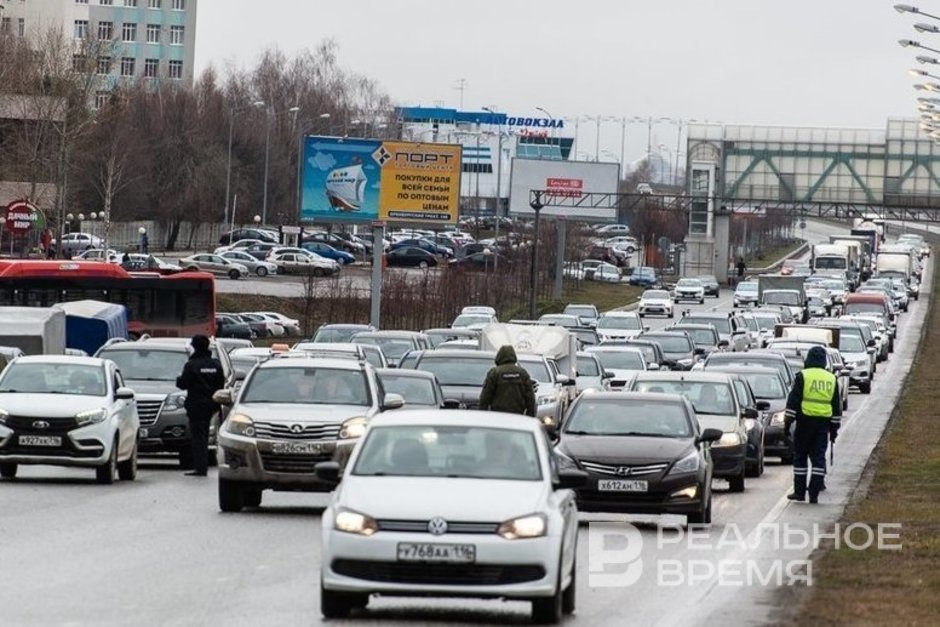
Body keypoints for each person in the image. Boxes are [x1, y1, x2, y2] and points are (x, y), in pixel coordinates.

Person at [784, 346, 841, 503]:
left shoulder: (803, 376)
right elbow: (836, 407)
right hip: (823, 424)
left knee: (800, 457)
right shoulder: (831, 379)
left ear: (808, 359)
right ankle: (814, 493)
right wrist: (834, 429)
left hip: (804, 422)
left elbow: (793, 401)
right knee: (818, 458)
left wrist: (787, 424)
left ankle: (800, 492)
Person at [175, 335, 225, 477]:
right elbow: (220, 385)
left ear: (194, 346)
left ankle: (200, 468)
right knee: (203, 434)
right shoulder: (215, 365)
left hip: (196, 405)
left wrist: (179, 378)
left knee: (198, 437)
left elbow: (182, 384)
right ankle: (201, 467)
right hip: (211, 404)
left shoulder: (191, 365)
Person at [479, 345, 537, 417]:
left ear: (499, 357)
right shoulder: (522, 373)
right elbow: (530, 398)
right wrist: (530, 417)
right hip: (518, 416)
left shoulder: (494, 373)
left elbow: (485, 397)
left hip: (498, 415)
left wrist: (482, 416)